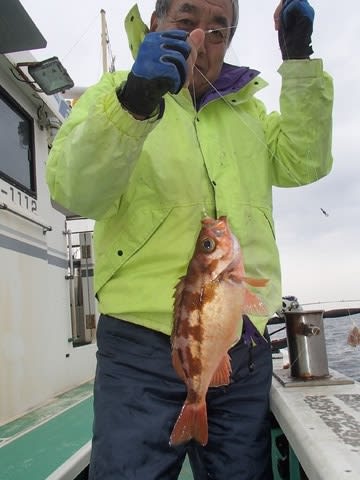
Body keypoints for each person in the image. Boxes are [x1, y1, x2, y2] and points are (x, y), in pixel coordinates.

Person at [46, 0, 333, 478]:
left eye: (218, 30)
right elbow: (73, 191)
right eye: (185, 22)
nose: (201, 39)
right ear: (156, 24)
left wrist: (299, 60)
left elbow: (307, 161)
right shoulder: (112, 96)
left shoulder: (250, 114)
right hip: (139, 348)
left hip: (241, 346)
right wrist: (133, 105)